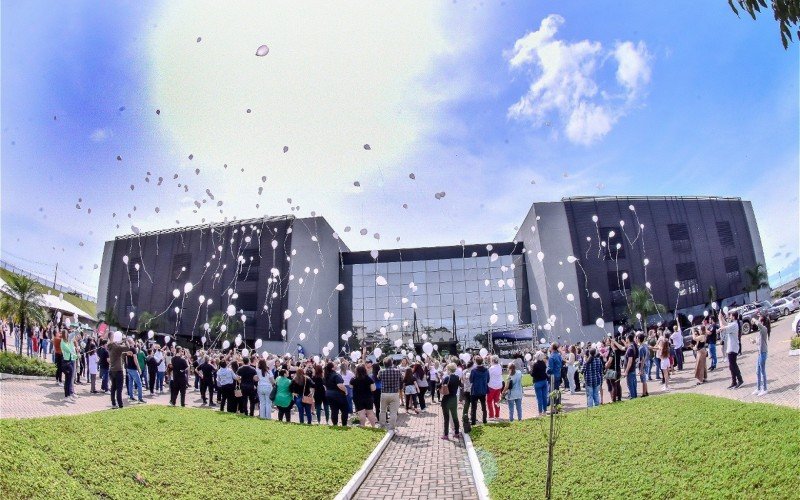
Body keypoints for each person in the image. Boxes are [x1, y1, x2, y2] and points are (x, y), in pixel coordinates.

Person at [719, 312, 743, 389]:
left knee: (733, 365)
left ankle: (740, 380)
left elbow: (723, 327)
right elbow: (726, 324)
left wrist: (720, 319)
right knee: (731, 366)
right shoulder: (733, 324)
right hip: (731, 347)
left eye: (731, 315)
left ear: (733, 317)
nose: (729, 316)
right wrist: (721, 318)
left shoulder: (734, 324)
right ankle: (734, 381)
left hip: (733, 347)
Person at [377, 357, 402, 431]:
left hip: (384, 393)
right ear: (391, 363)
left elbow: (378, 378)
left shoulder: (381, 371)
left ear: (384, 364)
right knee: (393, 412)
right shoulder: (397, 371)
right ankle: (392, 427)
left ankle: (382, 426)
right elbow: (401, 379)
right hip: (394, 393)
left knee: (382, 411)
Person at [440, 363, 462, 440]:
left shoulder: (447, 378)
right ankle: (456, 432)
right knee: (455, 416)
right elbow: (461, 386)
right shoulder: (457, 377)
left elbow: (441, 386)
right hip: (454, 398)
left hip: (446, 399)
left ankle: (446, 434)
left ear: (449, 369)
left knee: (446, 417)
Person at [107, 333, 129, 408]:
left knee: (113, 388)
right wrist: (125, 339)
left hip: (112, 370)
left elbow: (120, 352)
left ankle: (113, 404)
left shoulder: (110, 346)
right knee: (119, 388)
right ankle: (120, 405)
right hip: (118, 370)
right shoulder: (117, 347)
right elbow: (127, 347)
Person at [752, 316, 769, 396]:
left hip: (763, 353)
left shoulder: (764, 329)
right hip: (759, 353)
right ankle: (758, 388)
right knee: (757, 372)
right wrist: (754, 341)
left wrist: (754, 319)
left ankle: (765, 389)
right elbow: (759, 341)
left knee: (762, 372)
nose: (758, 322)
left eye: (759, 320)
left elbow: (758, 324)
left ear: (762, 322)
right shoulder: (760, 332)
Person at [469, 355, 489, 425]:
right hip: (483, 389)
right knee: (484, 405)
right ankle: (484, 419)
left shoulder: (473, 371)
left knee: (474, 407)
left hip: (475, 390)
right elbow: (488, 380)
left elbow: (471, 380)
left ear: (476, 362)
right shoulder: (486, 370)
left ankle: (473, 421)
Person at [60, 332, 77, 401]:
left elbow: (72, 351)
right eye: (67, 335)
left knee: (69, 380)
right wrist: (76, 355)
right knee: (67, 380)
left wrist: (76, 356)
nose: (68, 336)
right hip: (66, 362)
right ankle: (66, 396)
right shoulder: (63, 343)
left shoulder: (67, 342)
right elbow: (69, 350)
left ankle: (69, 395)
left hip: (69, 362)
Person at [487, 356, 503, 420]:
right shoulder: (499, 367)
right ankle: (497, 415)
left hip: (491, 386)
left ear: (492, 361)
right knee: (497, 401)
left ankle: (491, 415)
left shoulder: (491, 368)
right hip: (499, 386)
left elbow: (488, 377)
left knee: (489, 401)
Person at [622, 333, 638, 399]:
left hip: (630, 370)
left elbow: (630, 361)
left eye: (626, 338)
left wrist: (626, 371)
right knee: (633, 383)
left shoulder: (630, 348)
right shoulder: (631, 346)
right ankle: (634, 396)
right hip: (632, 369)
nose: (626, 339)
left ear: (628, 339)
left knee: (631, 384)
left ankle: (633, 397)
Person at [636, 333, 650, 397]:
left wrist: (641, 369)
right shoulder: (645, 345)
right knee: (644, 379)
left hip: (643, 365)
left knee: (643, 380)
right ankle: (646, 391)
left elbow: (642, 359)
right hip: (646, 364)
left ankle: (644, 393)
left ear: (638, 339)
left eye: (637, 338)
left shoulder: (641, 348)